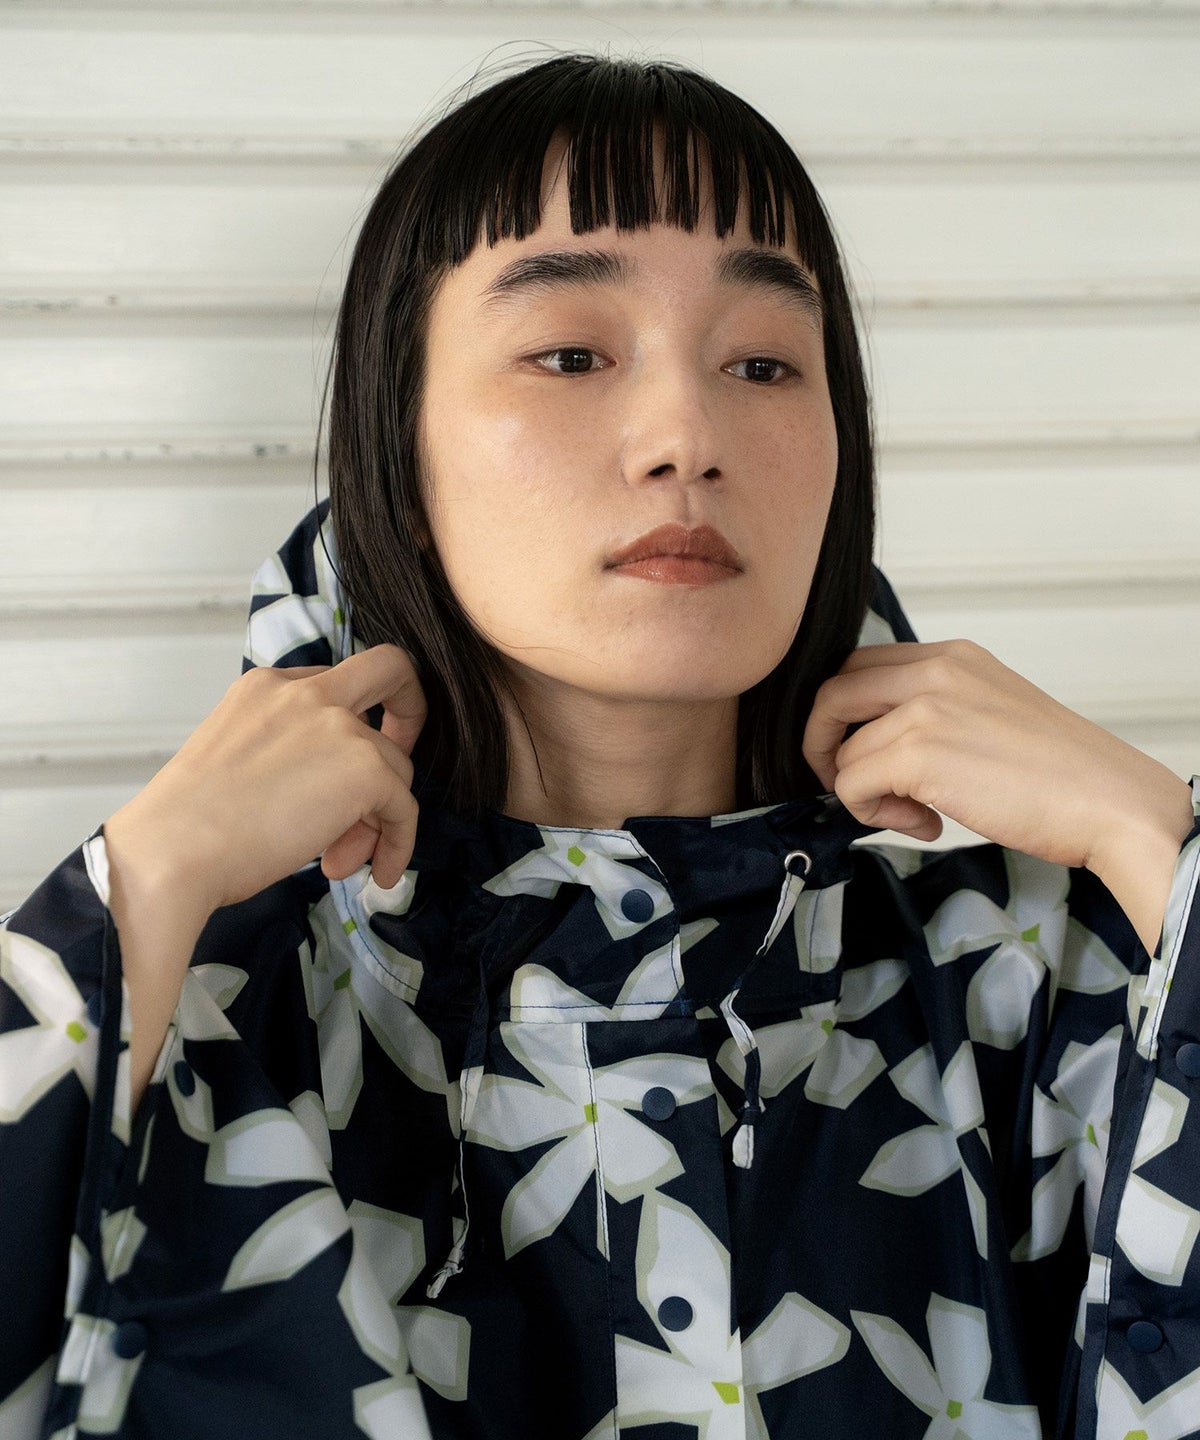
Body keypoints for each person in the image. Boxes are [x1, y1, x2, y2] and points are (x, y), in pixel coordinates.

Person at [1, 51, 1197, 1440]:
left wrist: (1158, 843)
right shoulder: (199, 1000)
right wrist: (143, 887)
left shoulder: (1047, 980)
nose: (686, 436)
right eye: (571, 354)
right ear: (398, 444)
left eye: (764, 363)